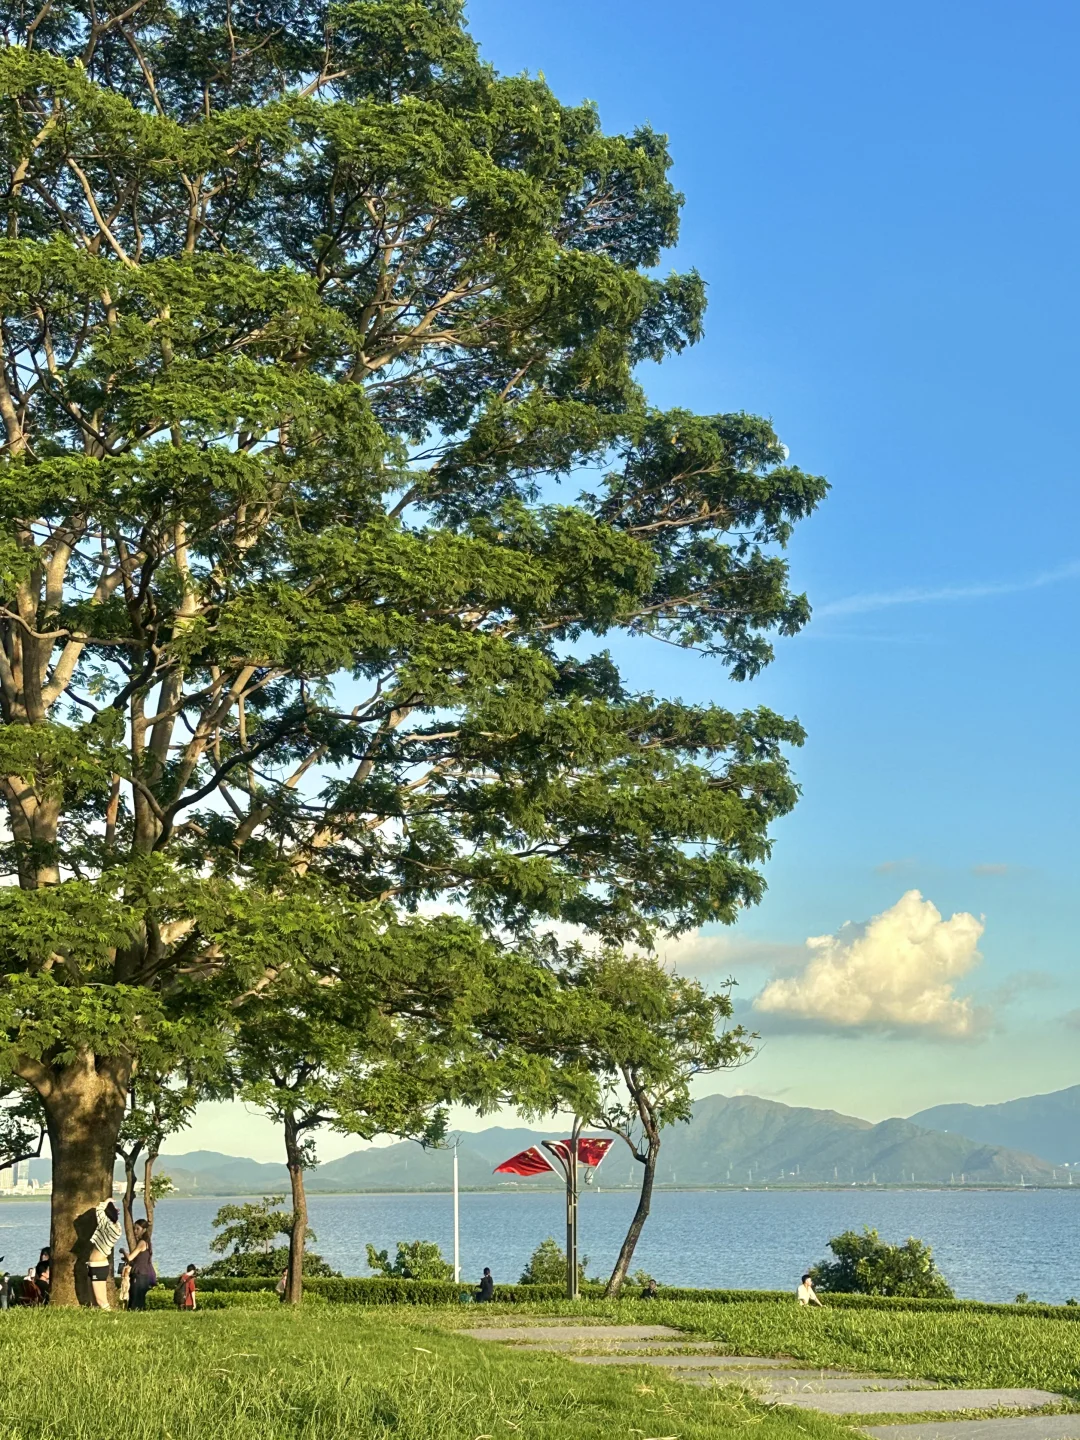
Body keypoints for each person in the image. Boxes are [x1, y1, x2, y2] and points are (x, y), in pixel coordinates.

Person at [87, 1199, 123, 1309]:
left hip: (99, 1265)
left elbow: (98, 1210)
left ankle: (111, 1317)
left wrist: (106, 1201)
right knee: (94, 1300)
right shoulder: (116, 1227)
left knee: (100, 1300)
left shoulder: (107, 1226)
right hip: (97, 1264)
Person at [126, 1218, 156, 1310]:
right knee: (140, 1300)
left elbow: (130, 1257)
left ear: (144, 1230)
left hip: (139, 1274)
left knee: (135, 1299)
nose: (135, 1231)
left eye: (137, 1229)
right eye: (134, 1228)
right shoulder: (147, 1243)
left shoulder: (142, 1243)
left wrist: (123, 1251)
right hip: (144, 1274)